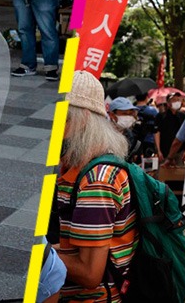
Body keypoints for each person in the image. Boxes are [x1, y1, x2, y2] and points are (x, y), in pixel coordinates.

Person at [55, 71, 138, 302]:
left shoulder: (97, 181)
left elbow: (90, 274)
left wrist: (40, 253)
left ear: (81, 120)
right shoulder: (78, 168)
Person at [154, 92, 185, 162]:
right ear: (168, 103)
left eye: (178, 100)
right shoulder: (160, 117)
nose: (177, 102)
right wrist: (158, 150)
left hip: (179, 151)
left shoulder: (184, 117)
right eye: (174, 100)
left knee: (179, 171)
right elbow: (157, 133)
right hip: (164, 152)